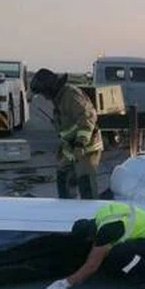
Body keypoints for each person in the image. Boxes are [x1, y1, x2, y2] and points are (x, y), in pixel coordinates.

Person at [46, 203, 145, 289]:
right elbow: (96, 249)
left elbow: (92, 266)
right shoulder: (101, 216)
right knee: (109, 255)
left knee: (118, 254)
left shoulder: (108, 230)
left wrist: (67, 283)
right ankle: (137, 266)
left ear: (90, 236)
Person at [30, 68, 104, 199]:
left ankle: (90, 212)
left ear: (49, 89)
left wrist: (80, 144)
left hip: (86, 148)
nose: (45, 97)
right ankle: (67, 211)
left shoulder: (70, 95)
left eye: (44, 93)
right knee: (64, 179)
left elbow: (87, 118)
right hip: (71, 148)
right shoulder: (59, 98)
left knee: (85, 182)